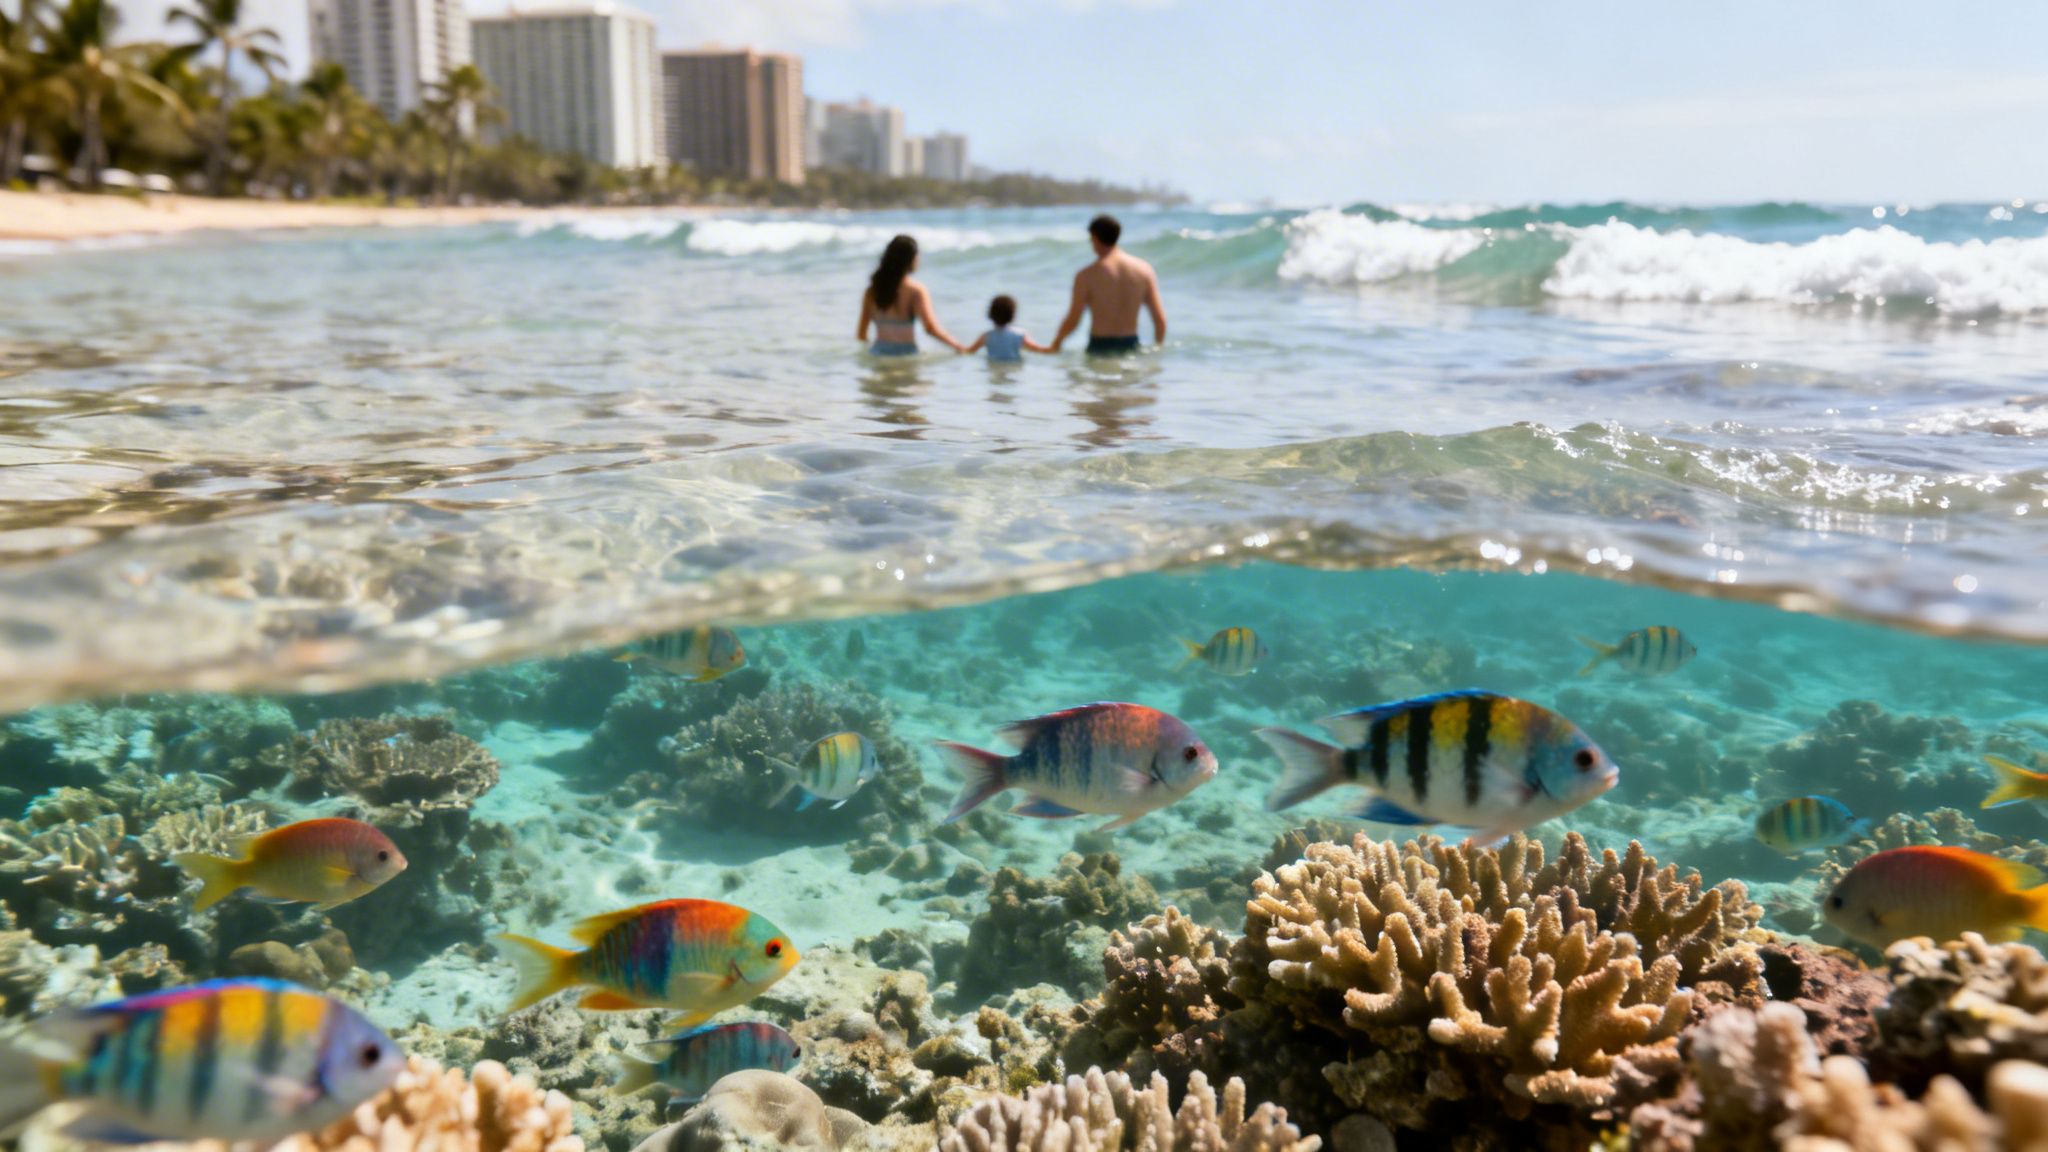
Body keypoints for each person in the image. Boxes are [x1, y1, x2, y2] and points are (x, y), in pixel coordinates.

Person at [1050, 215, 1166, 356]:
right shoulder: (1144, 270)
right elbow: (1160, 321)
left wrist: (1056, 344)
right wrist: (1157, 351)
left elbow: (1073, 319)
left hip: (1099, 347)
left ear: (1094, 237)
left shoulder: (1086, 275)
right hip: (1131, 347)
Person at [858, 235, 965, 355]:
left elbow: (861, 335)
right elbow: (930, 328)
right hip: (905, 356)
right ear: (910, 259)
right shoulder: (915, 290)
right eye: (917, 255)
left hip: (877, 353)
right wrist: (959, 347)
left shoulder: (871, 291)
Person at [964, 295, 1051, 363]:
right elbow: (1039, 350)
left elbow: (968, 351)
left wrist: (952, 343)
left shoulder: (986, 336)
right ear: (1012, 315)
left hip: (993, 367)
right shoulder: (1020, 334)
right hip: (1014, 367)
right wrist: (1055, 347)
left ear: (991, 314)